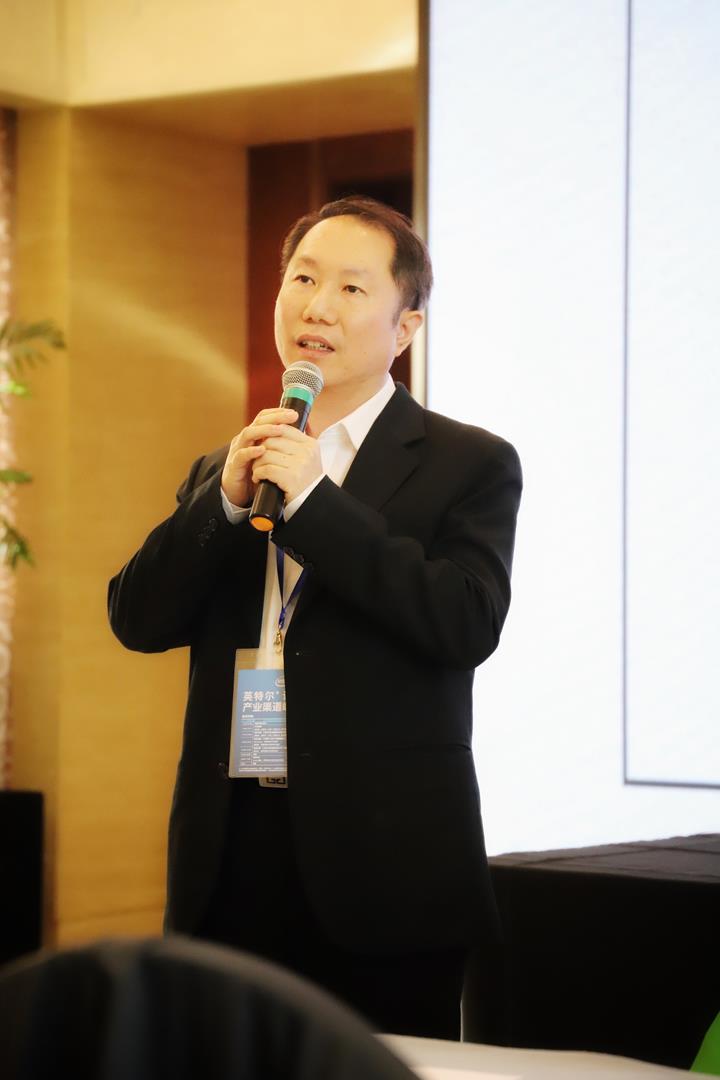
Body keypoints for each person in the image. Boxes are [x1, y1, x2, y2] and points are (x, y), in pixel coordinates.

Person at [108, 196, 522, 1040]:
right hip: (230, 859)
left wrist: (314, 503)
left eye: (351, 288)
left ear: (405, 329)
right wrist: (224, 504)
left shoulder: (468, 461)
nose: (317, 307)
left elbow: (466, 620)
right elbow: (137, 619)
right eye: (302, 279)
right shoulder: (228, 466)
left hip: (386, 870)